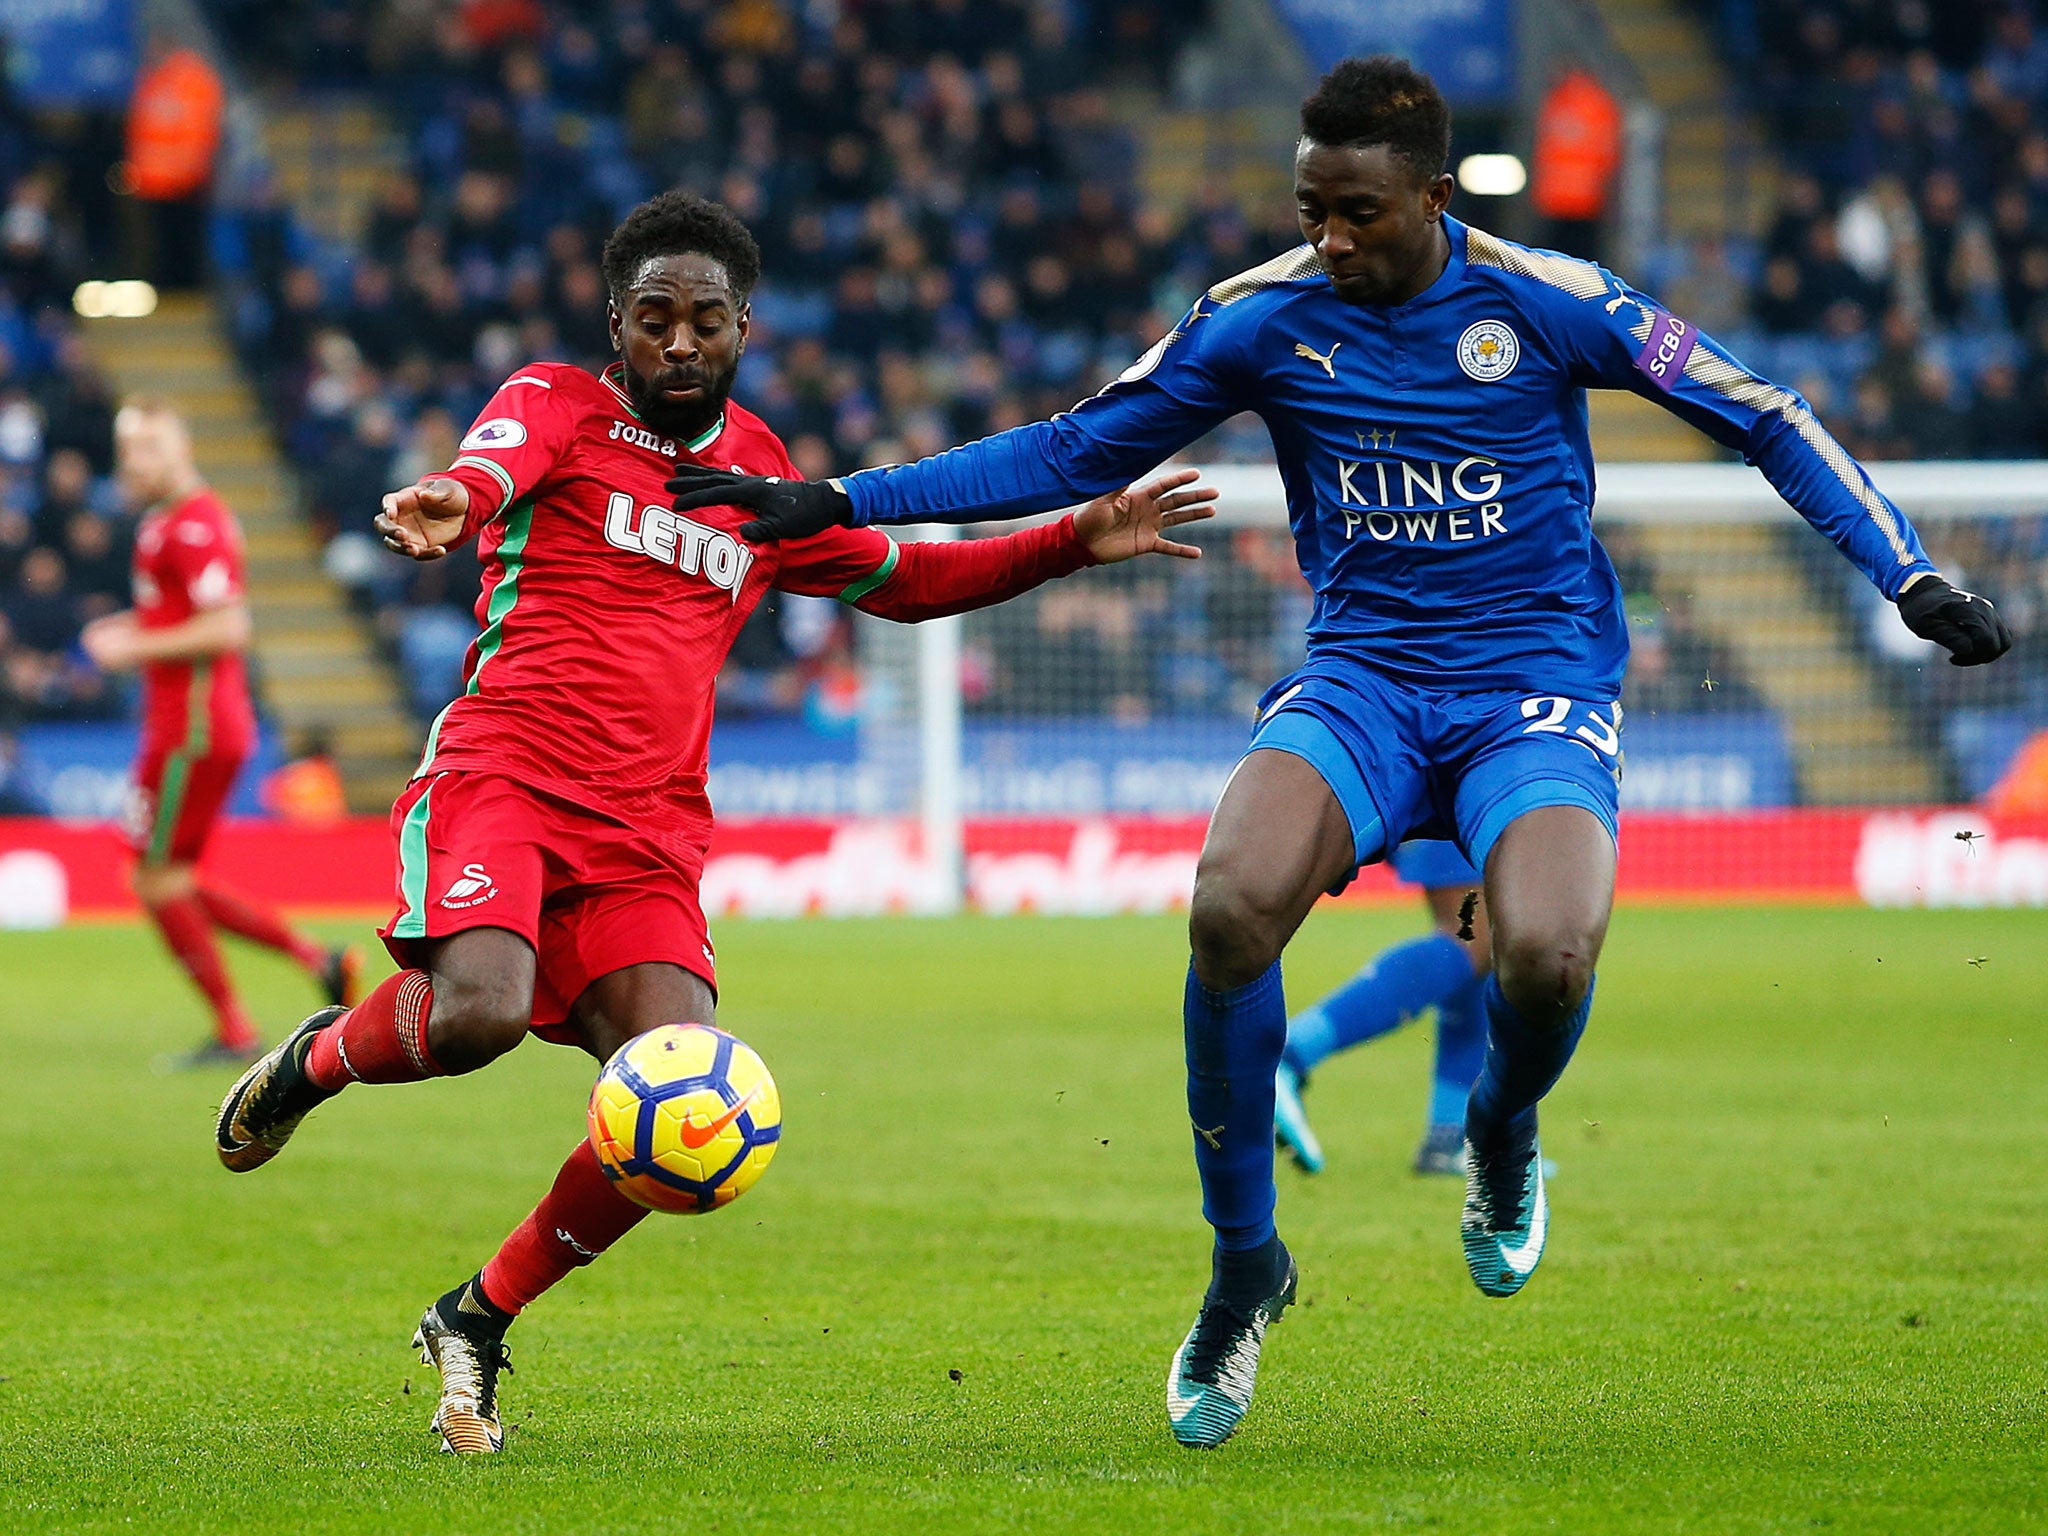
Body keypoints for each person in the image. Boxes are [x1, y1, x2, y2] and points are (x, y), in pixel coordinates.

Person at [668, 55, 2013, 1449]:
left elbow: (1762, 412)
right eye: (1313, 208)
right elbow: (1078, 449)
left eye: (1359, 212)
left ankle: (1498, 1129)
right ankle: (1245, 1263)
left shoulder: (1550, 302)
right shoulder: (1260, 318)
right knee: (1229, 903)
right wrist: (840, 496)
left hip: (1532, 689)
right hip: (1363, 680)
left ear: (1433, 194)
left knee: (1544, 955)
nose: (1330, 238)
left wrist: (1902, 575)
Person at [211, 190, 1215, 1457]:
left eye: (703, 321)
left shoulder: (762, 479)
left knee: (683, 1109)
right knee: (474, 1014)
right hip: (505, 775)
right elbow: (489, 467)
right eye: (653, 319)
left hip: (646, 836)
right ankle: (314, 1061)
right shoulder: (556, 406)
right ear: (614, 324)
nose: (678, 343)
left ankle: (476, 1316)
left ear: (742, 328)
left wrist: (1073, 539)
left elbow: (902, 582)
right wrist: (454, 502)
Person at [81, 401, 360, 1067]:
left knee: (155, 880)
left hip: (194, 727)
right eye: (127, 451)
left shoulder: (195, 525)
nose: (132, 464)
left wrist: (132, 645)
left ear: (181, 447)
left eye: (147, 447)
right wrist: (129, 627)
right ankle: (317, 959)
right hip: (186, 724)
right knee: (168, 875)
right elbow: (180, 611)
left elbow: (228, 627)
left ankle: (235, 1030)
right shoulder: (165, 522)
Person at [1272, 840, 1489, 1177]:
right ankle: (1287, 1055)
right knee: (1471, 938)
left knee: (1480, 952)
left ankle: (1448, 1137)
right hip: (1461, 790)